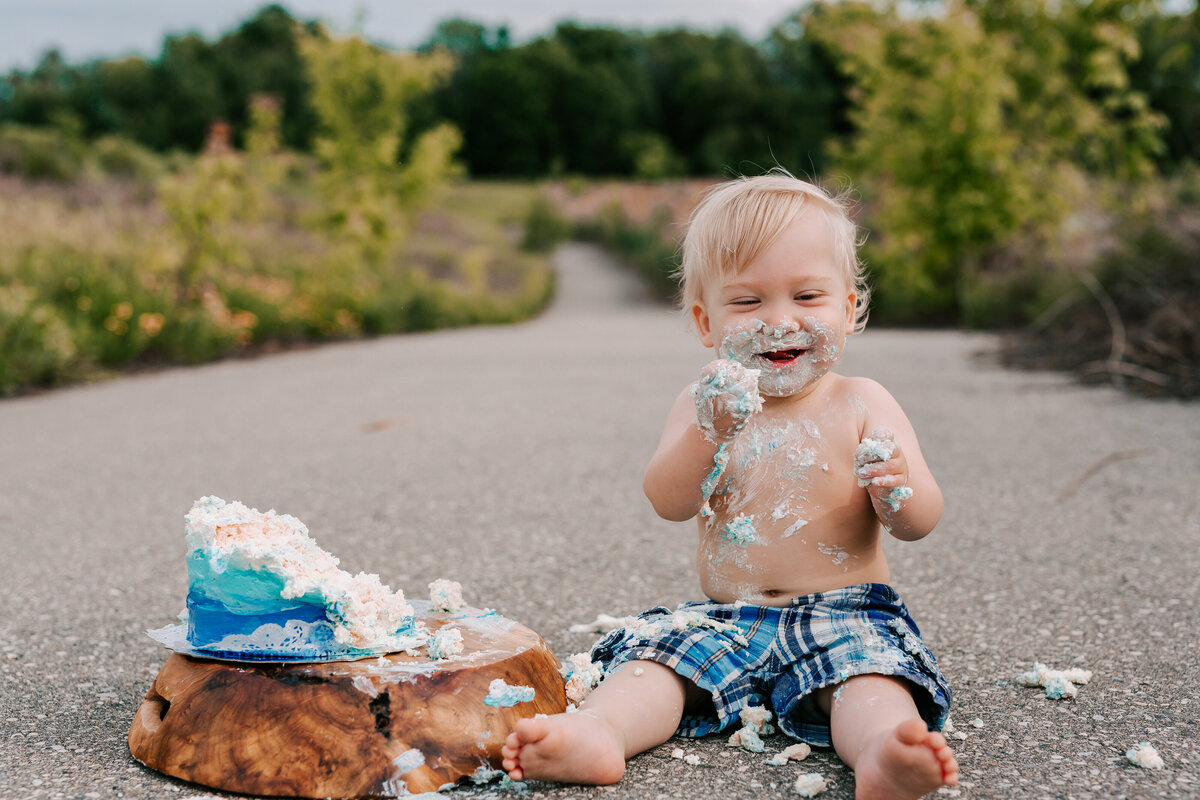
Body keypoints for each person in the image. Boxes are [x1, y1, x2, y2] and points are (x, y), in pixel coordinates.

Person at [502, 171, 958, 800]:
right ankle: (600, 733)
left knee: (870, 680)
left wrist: (896, 488)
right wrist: (706, 434)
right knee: (654, 665)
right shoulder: (703, 403)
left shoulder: (862, 402)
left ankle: (883, 754)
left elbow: (921, 520)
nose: (778, 321)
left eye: (807, 297)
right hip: (728, 618)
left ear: (849, 309)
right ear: (705, 322)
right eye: (748, 302)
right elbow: (668, 501)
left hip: (844, 612)